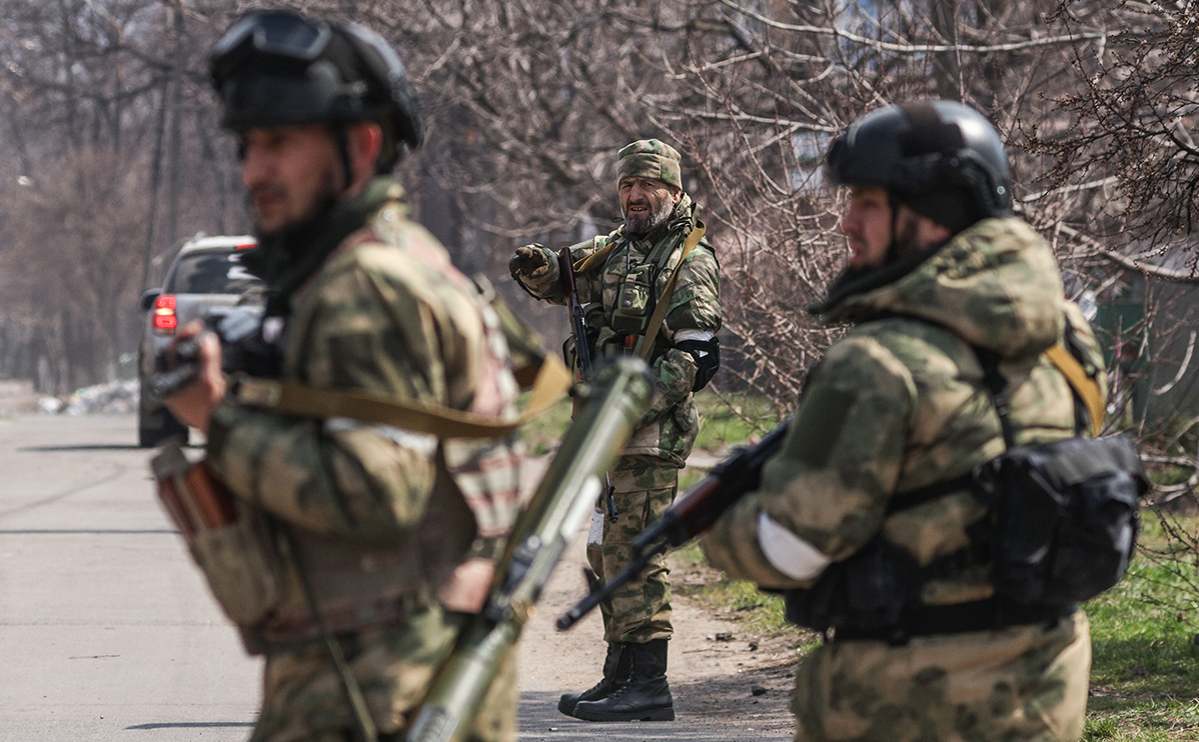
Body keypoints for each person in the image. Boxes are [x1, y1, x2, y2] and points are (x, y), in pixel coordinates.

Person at [164, 10, 533, 742]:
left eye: (279, 143)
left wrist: (217, 415)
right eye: (246, 146)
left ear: (360, 146)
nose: (254, 171)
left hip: (370, 689)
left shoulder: (362, 286)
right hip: (398, 673)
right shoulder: (406, 258)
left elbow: (375, 495)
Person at [702, 100, 1104, 742]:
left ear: (932, 215)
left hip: (906, 707)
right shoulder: (1066, 336)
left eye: (866, 202)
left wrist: (727, 518)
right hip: (1043, 695)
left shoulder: (878, 362)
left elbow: (790, 548)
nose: (844, 223)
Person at [509, 139, 722, 722]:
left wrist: (631, 408)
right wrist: (537, 268)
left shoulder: (686, 258)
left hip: (648, 433)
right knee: (606, 548)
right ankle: (620, 674)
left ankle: (650, 686)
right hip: (603, 429)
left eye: (646, 186)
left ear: (674, 191)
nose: (634, 196)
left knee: (636, 551)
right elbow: (564, 280)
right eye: (627, 186)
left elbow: (696, 358)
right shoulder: (617, 248)